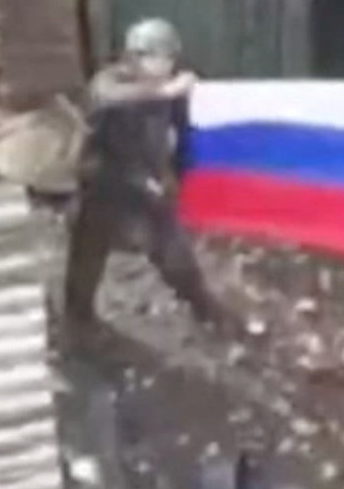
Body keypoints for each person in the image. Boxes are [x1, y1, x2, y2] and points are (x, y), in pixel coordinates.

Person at [62, 18, 249, 343]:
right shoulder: (112, 83)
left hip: (149, 190)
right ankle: (77, 323)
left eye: (169, 59)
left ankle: (210, 316)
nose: (164, 66)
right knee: (87, 260)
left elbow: (186, 134)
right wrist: (163, 91)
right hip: (106, 186)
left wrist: (185, 175)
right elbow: (106, 96)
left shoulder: (170, 93)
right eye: (157, 58)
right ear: (134, 56)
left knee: (177, 260)